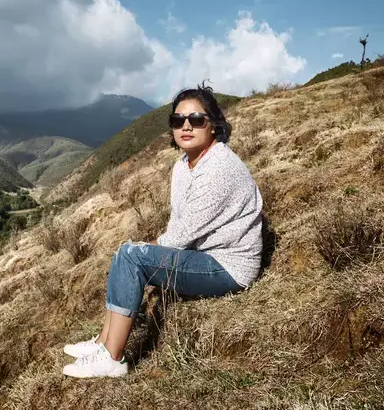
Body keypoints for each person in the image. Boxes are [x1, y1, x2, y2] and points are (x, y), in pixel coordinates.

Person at [62, 84, 264, 379]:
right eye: (177, 120)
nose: (185, 126)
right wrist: (151, 250)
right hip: (204, 255)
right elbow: (179, 223)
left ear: (214, 126)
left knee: (132, 256)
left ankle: (112, 359)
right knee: (128, 252)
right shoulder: (184, 166)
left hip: (229, 267)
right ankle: (101, 343)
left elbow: (181, 235)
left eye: (196, 119)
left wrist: (150, 251)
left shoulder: (219, 168)